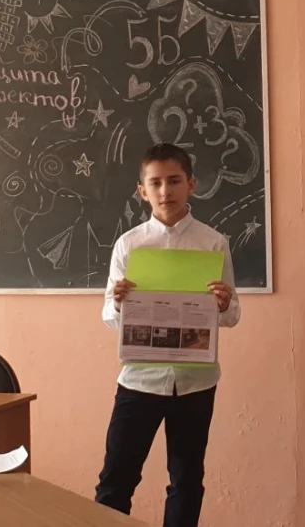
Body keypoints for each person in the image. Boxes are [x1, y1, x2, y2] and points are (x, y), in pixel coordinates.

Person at [95, 142, 240, 527]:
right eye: (155, 183)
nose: (165, 191)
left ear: (191, 184)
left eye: (174, 181)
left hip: (195, 381)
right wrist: (119, 303)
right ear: (142, 191)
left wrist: (223, 304)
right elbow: (108, 316)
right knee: (115, 481)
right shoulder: (129, 244)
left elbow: (232, 315)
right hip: (140, 379)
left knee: (186, 480)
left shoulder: (213, 243)